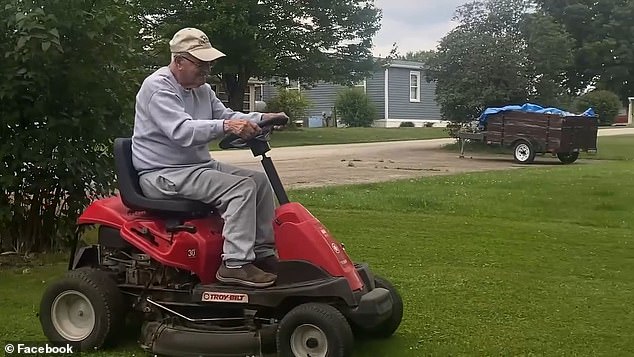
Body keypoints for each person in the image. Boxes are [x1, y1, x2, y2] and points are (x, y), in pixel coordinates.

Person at [131, 27, 287, 288]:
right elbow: (181, 131)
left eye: (209, 64)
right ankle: (235, 265)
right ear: (178, 61)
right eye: (200, 63)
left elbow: (225, 116)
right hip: (163, 173)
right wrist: (227, 128)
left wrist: (262, 118)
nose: (206, 70)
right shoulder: (158, 88)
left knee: (259, 182)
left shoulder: (201, 89)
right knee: (240, 188)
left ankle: (261, 253)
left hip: (194, 168)